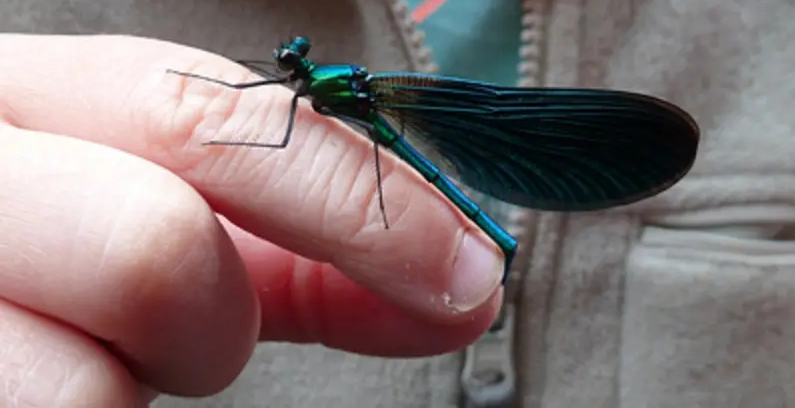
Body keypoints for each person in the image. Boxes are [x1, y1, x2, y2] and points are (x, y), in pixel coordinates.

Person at [0, 34, 504, 405]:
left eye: (290, 62)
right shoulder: (311, 84)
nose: (287, 66)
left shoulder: (333, 88)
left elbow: (303, 140)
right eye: (289, 61)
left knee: (379, 150)